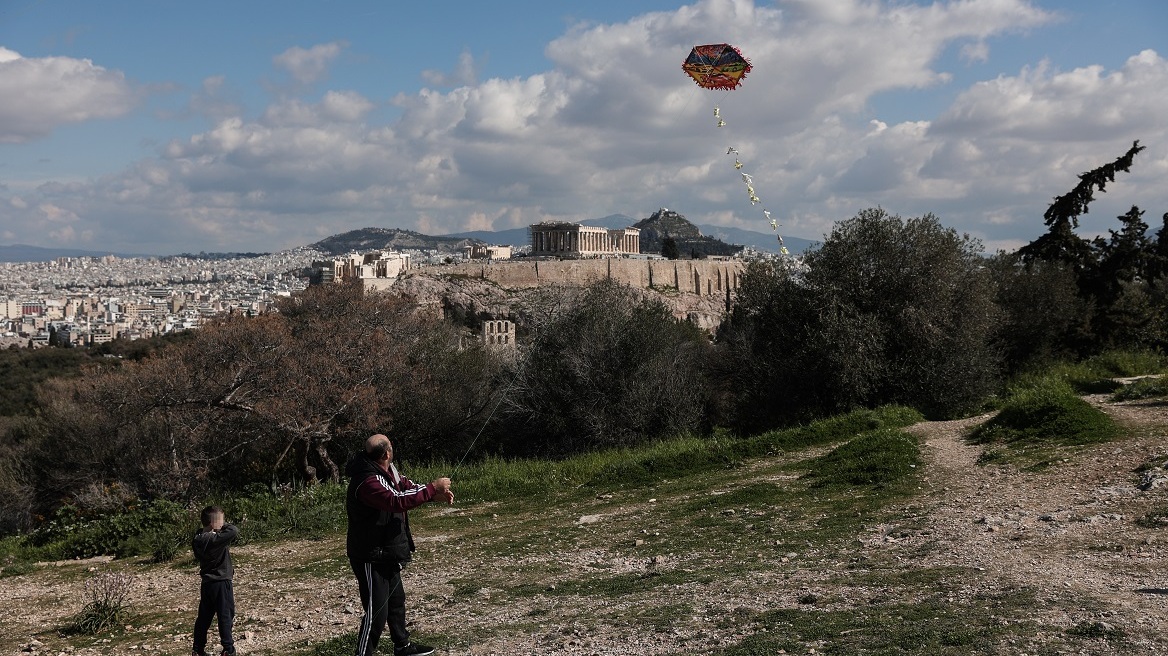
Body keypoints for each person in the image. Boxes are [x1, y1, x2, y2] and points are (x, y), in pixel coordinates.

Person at [346, 433, 454, 656]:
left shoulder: (388, 471)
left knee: (396, 601)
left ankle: (402, 646)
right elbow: (396, 500)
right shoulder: (368, 481)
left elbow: (405, 488)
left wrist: (433, 496)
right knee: (377, 612)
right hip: (370, 555)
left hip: (387, 550)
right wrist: (433, 486)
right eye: (391, 445)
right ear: (387, 452)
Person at [192, 506, 238, 656]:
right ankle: (228, 649)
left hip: (207, 584)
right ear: (214, 523)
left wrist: (212, 526)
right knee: (225, 615)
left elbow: (203, 531)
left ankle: (198, 649)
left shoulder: (198, 538)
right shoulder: (214, 540)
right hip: (221, 582)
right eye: (221, 520)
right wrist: (221, 525)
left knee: (204, 618)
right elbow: (233, 531)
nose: (223, 523)